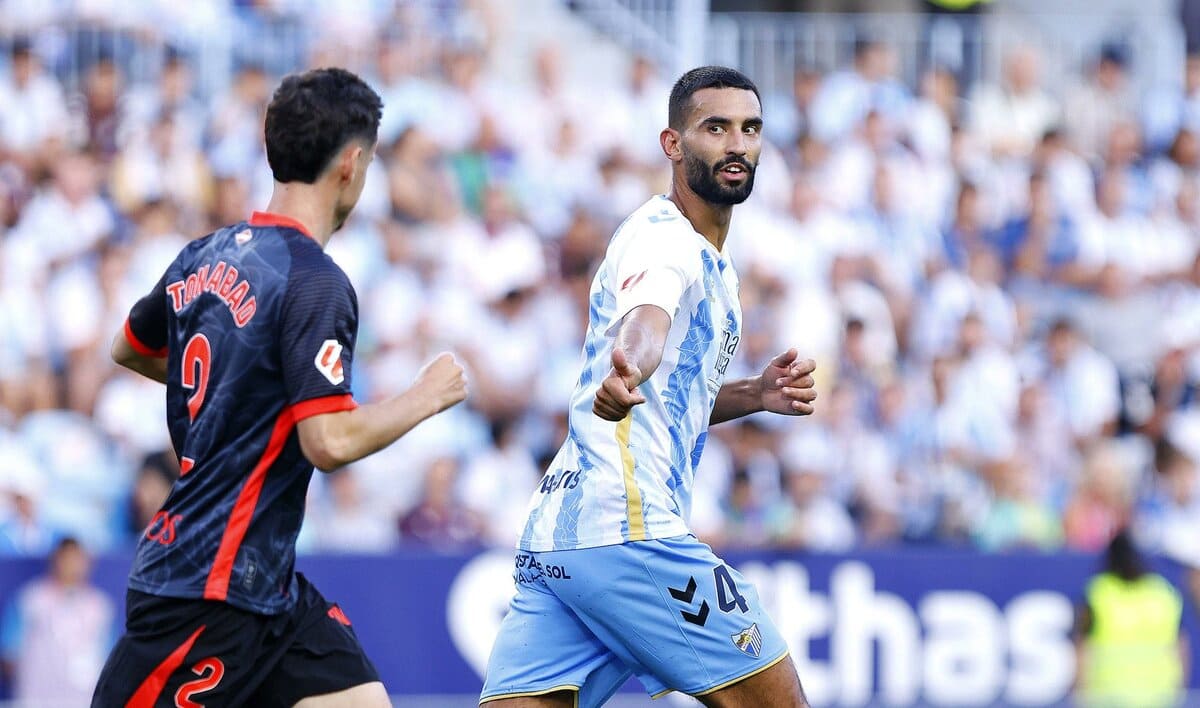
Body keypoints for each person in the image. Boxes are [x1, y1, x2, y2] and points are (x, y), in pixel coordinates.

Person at [92, 67, 469, 707]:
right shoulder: (315, 280)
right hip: (203, 590)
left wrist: (241, 389)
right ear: (352, 163)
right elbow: (327, 441)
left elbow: (132, 345)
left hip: (266, 587)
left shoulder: (205, 254)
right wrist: (424, 397)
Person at [480, 66, 817, 708]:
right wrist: (628, 365)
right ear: (672, 143)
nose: (736, 145)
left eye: (750, 129)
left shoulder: (718, 267)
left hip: (562, 539)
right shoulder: (664, 240)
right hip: (627, 527)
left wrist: (753, 394)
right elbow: (645, 325)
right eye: (714, 128)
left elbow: (672, 398)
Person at [1073, 529, 1188, 707]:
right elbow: (1181, 646)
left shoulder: (1099, 591)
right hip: (1159, 695)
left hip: (1108, 695)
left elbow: (1083, 648)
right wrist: (1179, 690)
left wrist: (1080, 694)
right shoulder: (1162, 592)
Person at [1, 537, 114, 705]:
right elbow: (9, 654)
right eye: (67, 559)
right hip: (36, 700)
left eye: (77, 559)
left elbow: (110, 661)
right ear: (55, 560)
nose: (72, 565)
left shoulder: (100, 607)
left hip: (85, 701)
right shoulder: (30, 600)